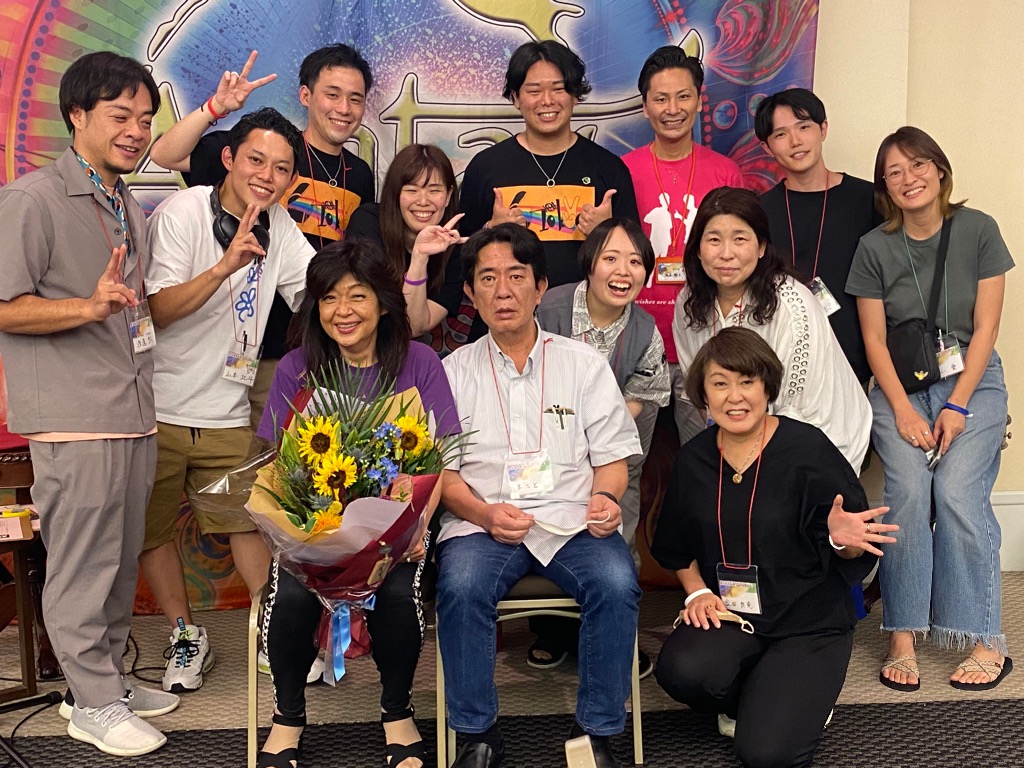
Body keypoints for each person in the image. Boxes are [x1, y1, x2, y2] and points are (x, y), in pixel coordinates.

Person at [0, 51, 179, 757]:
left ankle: (102, 683)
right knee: (81, 566)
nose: (136, 131)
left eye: (145, 119)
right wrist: (87, 305)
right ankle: (93, 703)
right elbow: (5, 307)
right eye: (120, 115)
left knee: (118, 561)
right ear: (77, 115)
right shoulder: (33, 199)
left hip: (131, 411)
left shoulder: (125, 201)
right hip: (74, 417)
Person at [437, 223, 642, 768]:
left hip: (573, 521)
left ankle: (595, 734)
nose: (503, 291)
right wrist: (483, 513)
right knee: (460, 585)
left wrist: (606, 498)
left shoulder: (583, 364)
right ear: (471, 292)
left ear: (540, 286)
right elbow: (444, 479)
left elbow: (613, 461)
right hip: (482, 523)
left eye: (516, 276)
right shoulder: (452, 373)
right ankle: (477, 736)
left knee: (617, 582)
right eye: (488, 278)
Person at [255, 239, 460, 768]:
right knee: (291, 595)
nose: (342, 311)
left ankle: (397, 712)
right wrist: (295, 532)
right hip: (315, 529)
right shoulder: (297, 368)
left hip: (398, 535)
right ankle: (286, 718)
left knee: (398, 594)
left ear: (384, 303)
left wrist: (417, 528)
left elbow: (442, 457)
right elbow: (279, 463)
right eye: (329, 298)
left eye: (357, 296)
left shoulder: (420, 362)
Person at [652, 327, 896, 768]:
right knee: (683, 671)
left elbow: (854, 552)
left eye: (747, 381)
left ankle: (800, 704)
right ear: (703, 393)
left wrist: (839, 539)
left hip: (808, 623)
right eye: (720, 383)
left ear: (767, 386)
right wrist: (697, 591)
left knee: (765, 755)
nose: (735, 396)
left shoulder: (808, 449)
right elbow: (674, 545)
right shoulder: (694, 459)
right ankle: (757, 697)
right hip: (733, 616)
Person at [141, 107, 316, 694]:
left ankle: (272, 633)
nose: (267, 176)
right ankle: (185, 634)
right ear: (228, 159)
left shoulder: (280, 226)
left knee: (248, 523)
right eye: (256, 160)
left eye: (281, 168)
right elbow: (158, 309)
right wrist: (223, 267)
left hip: (227, 411)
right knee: (151, 531)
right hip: (158, 409)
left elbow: (315, 293)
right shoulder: (182, 212)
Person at [846, 126, 1015, 692]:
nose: (909, 178)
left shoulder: (979, 229)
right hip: (899, 385)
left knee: (959, 493)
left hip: (972, 381)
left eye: (918, 165)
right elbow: (873, 339)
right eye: (894, 172)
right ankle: (903, 632)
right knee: (909, 496)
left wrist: (958, 404)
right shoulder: (873, 247)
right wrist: (902, 409)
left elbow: (987, 327)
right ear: (885, 187)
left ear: (939, 169)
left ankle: (986, 637)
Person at [149, 46, 376, 430]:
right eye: (332, 94)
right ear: (305, 95)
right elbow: (164, 155)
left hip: (308, 345)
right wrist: (215, 108)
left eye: (355, 99)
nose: (343, 108)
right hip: (245, 346)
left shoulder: (360, 174)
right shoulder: (265, 146)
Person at [536, 218, 669, 676]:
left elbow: (643, 396)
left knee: (615, 536)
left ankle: (616, 640)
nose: (623, 271)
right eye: (611, 258)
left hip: (615, 448)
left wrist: (594, 432)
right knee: (547, 529)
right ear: (590, 263)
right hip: (543, 447)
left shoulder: (646, 331)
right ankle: (552, 632)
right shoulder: (547, 309)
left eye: (635, 261)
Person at [672, 186, 870, 470]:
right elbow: (703, 393)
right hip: (739, 438)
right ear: (698, 249)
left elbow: (797, 410)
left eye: (740, 239)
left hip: (817, 445)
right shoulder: (688, 302)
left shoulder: (792, 304)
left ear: (761, 247)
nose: (726, 253)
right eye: (714, 239)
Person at [458, 39, 640, 342]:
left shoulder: (608, 168)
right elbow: (459, 255)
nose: (547, 101)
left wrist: (605, 235)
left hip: (588, 331)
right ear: (516, 97)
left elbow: (636, 260)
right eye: (534, 91)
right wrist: (490, 230)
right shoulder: (485, 166)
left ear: (575, 95)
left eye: (558, 89)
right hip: (504, 329)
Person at [622, 46, 744, 445]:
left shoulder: (725, 172)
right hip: (638, 342)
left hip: (705, 342)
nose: (672, 109)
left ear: (699, 101)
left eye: (683, 96)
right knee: (625, 458)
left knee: (708, 455)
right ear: (645, 107)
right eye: (660, 99)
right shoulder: (622, 170)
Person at [755, 88, 881, 384]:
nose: (795, 141)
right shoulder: (759, 211)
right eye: (781, 134)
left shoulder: (869, 200)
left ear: (823, 129)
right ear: (766, 147)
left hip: (855, 364)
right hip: (782, 364)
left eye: (804, 127)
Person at [346, 143, 466, 337]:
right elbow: (360, 306)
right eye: (412, 190)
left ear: (448, 195)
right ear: (396, 193)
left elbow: (413, 327)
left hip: (407, 346)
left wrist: (419, 257)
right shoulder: (368, 223)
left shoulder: (454, 248)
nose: (423, 201)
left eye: (434, 190)